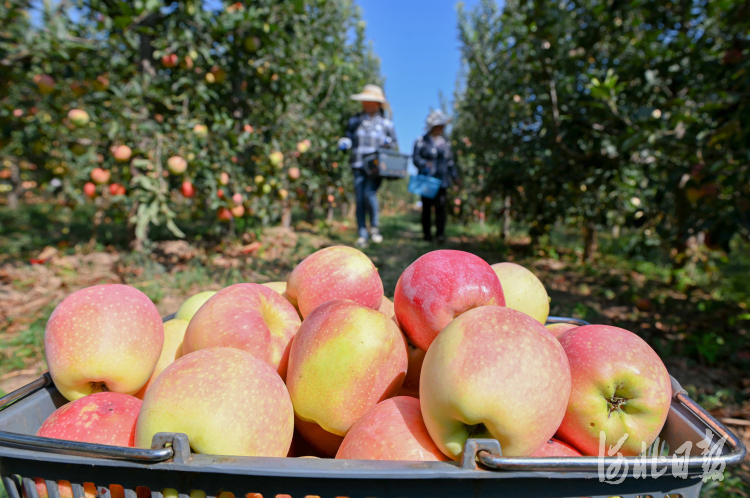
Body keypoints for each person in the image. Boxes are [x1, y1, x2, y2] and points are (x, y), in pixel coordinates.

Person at [338, 84, 398, 248]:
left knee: (369, 194)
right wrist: (346, 141)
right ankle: (362, 234)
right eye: (364, 101)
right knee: (359, 198)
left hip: (376, 166)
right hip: (358, 163)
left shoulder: (386, 124)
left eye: (370, 101)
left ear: (378, 104)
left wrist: (388, 144)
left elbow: (393, 143)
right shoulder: (355, 120)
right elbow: (349, 135)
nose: (366, 104)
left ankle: (375, 227)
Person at [412, 110, 457, 243]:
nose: (442, 128)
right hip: (426, 180)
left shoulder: (445, 143)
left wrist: (455, 176)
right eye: (440, 125)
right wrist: (424, 163)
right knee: (426, 207)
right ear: (433, 126)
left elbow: (450, 162)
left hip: (441, 180)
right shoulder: (421, 141)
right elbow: (415, 159)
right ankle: (427, 234)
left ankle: (440, 234)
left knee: (441, 207)